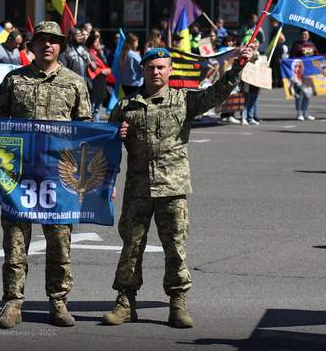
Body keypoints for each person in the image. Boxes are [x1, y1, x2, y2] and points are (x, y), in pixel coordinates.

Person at [103, 45, 254, 328]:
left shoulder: (183, 100)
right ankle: (125, 302)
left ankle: (177, 303)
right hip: (138, 189)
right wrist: (116, 135)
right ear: (142, 70)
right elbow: (106, 147)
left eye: (161, 67)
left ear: (170, 70)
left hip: (172, 189)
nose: (156, 71)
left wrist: (237, 67)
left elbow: (216, 94)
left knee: (175, 248)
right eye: (150, 67)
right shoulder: (126, 106)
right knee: (131, 248)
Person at [0, 21, 92, 329]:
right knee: (15, 244)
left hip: (59, 180)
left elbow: (87, 132)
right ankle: (13, 302)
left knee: (60, 244)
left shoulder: (75, 83)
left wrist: (93, 179)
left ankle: (58, 302)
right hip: (18, 180)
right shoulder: (14, 81)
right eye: (42, 40)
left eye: (54, 41)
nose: (48, 45)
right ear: (31, 46)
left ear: (61, 47)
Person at [86, 29, 115, 121]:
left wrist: (102, 54)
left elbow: (104, 63)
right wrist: (102, 71)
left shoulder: (99, 53)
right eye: (96, 42)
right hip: (94, 82)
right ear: (91, 43)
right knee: (93, 107)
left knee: (97, 108)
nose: (98, 44)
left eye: (99, 41)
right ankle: (92, 125)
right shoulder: (88, 53)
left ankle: (96, 124)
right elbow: (90, 68)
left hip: (101, 82)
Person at [268, 18, 286, 88]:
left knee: (276, 67)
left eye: (270, 22)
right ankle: (277, 82)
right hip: (276, 50)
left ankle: (278, 82)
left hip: (276, 50)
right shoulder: (276, 29)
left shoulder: (277, 29)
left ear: (273, 22)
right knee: (275, 66)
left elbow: (283, 39)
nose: (270, 23)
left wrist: (277, 43)